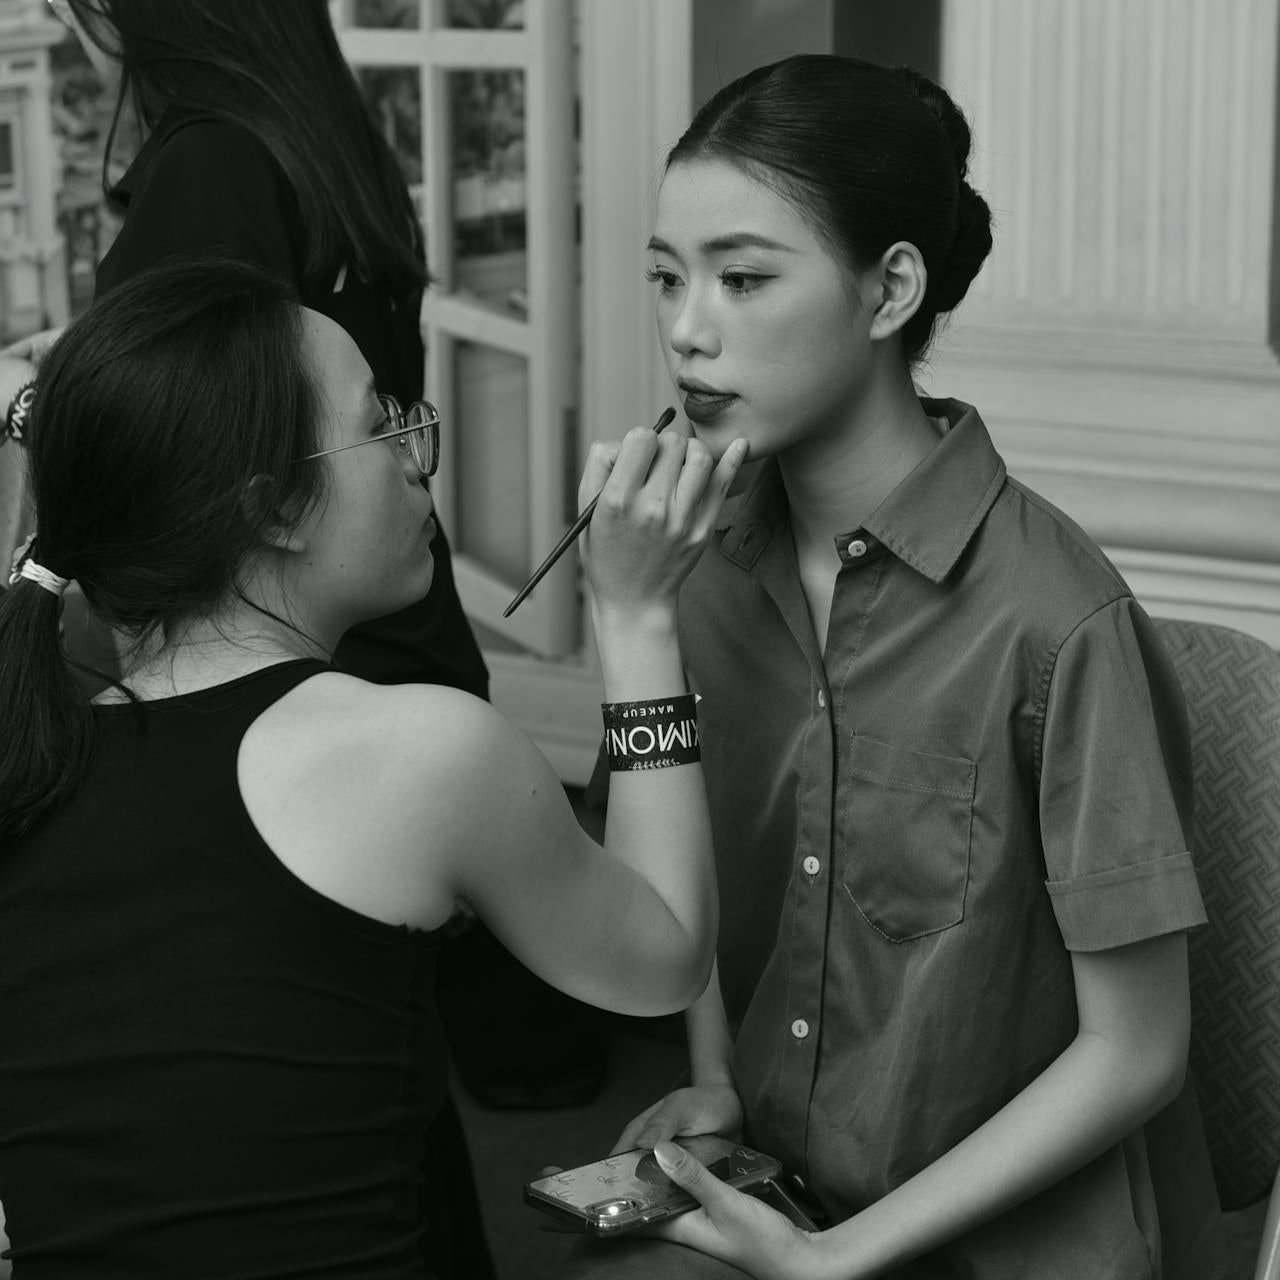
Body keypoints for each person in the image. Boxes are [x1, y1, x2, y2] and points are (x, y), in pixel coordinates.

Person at [566, 54, 1225, 1280]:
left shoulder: (1054, 618)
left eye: (742, 276)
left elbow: (1138, 1050)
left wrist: (842, 1256)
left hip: (1005, 1241)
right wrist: (715, 1080)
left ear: (889, 291)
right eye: (664, 276)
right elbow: (677, 899)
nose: (683, 327)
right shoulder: (690, 580)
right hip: (778, 1191)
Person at [0, 257, 747, 1277]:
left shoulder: (30, 755)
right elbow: (663, 959)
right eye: (382, 422)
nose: (415, 457)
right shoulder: (414, 750)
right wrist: (634, 609)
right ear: (277, 508)